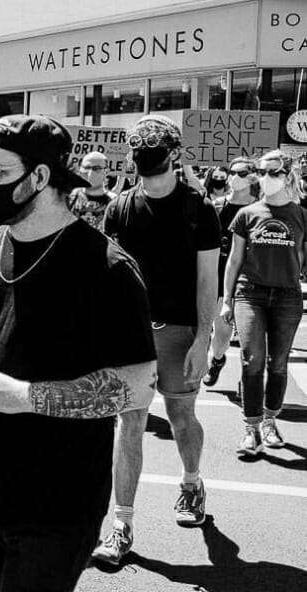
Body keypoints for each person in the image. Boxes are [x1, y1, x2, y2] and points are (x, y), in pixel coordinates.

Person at [0, 114, 156, 592]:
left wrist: (27, 396)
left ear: (39, 177)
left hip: (60, 500)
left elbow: (139, 384)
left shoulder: (107, 268)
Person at [95, 114, 220, 566]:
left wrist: (203, 339)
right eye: (138, 156)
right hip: (130, 334)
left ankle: (191, 482)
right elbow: (108, 277)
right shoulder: (120, 208)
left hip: (180, 331)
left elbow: (209, 281)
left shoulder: (199, 210)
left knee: (181, 417)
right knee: (129, 423)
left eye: (152, 156)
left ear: (174, 156)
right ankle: (121, 524)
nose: (143, 164)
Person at [220, 149, 306, 457]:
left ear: (287, 176)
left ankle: (270, 421)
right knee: (252, 359)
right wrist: (227, 300)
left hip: (287, 296)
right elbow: (234, 259)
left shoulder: (300, 214)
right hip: (250, 293)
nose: (265, 177)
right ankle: (251, 427)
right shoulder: (247, 214)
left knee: (278, 363)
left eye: (273, 172)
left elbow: (300, 257)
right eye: (262, 171)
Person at [205, 157, 258, 386]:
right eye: (232, 171)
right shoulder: (217, 207)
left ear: (254, 177)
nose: (234, 176)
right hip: (220, 279)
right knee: (222, 335)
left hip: (252, 281)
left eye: (242, 173)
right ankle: (217, 360)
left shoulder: (261, 209)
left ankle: (246, 382)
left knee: (252, 338)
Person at [68, 151, 117, 231]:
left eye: (96, 169)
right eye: (86, 168)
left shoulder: (114, 202)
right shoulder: (70, 198)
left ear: (106, 171)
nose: (90, 173)